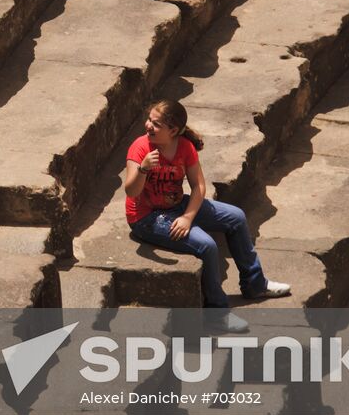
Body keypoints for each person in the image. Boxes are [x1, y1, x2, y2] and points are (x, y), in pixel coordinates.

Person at [123, 99, 289, 316]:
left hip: (177, 206)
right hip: (146, 217)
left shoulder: (184, 147)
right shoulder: (140, 147)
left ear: (173, 130)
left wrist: (188, 217)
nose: (148, 126)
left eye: (155, 124)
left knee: (236, 217)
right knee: (207, 245)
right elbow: (131, 192)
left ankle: (255, 284)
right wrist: (143, 169)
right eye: (149, 120)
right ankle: (217, 311)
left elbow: (198, 186)